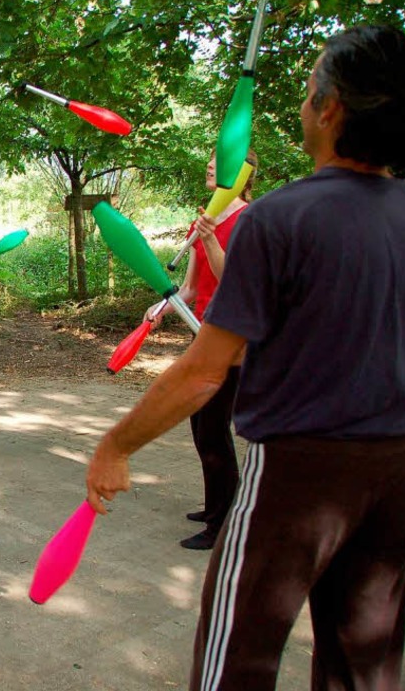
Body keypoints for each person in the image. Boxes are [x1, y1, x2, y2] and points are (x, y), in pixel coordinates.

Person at [87, 25, 405, 690]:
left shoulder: (278, 218)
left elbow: (202, 371)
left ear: (331, 108)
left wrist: (116, 444)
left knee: (236, 660)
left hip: (297, 476)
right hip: (397, 472)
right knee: (361, 668)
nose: (303, 105)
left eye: (310, 90)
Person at [148, 150, 257, 550]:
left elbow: (238, 280)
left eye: (220, 162)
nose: (210, 167)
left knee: (212, 427)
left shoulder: (250, 220)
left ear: (244, 174)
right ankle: (219, 506)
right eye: (210, 162)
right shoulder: (203, 222)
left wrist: (209, 238)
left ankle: (224, 524)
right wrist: (161, 307)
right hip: (204, 332)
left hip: (234, 339)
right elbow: (192, 287)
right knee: (201, 425)